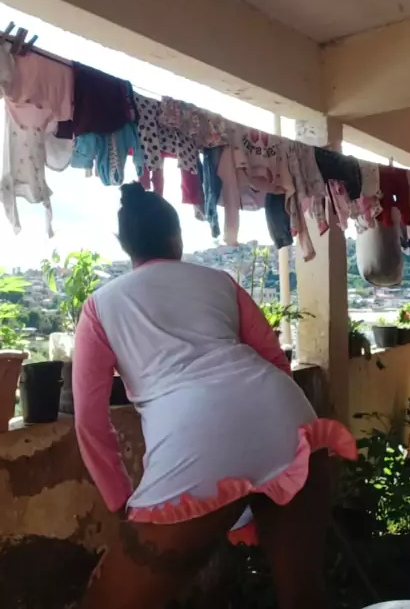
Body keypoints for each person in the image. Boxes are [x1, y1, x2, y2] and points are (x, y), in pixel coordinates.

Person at [73, 182, 356, 609]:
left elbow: (89, 421)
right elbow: (275, 362)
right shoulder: (218, 282)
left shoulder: (100, 306)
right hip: (288, 418)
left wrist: (121, 502)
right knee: (304, 597)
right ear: (177, 238)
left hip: (195, 445)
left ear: (124, 243)